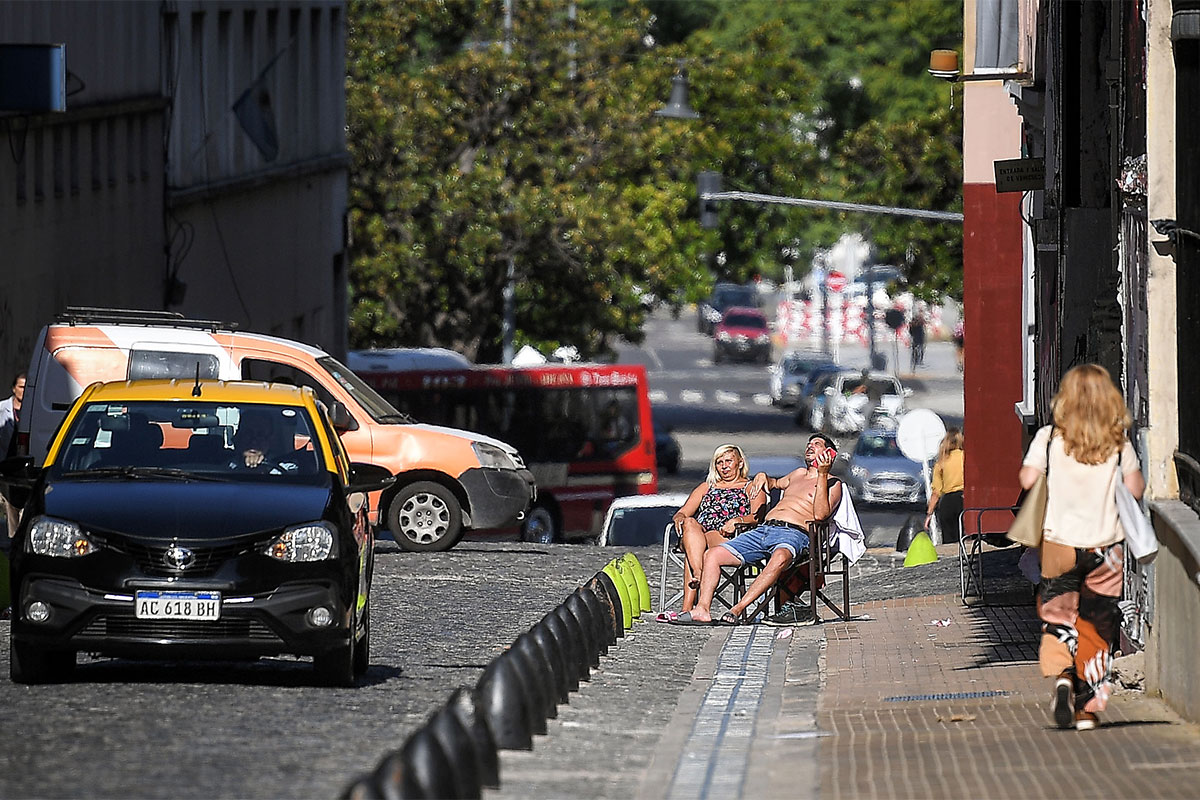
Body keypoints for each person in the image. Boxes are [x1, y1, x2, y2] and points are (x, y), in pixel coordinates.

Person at [1018, 364, 1144, 731]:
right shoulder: (1118, 440)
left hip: (1059, 543)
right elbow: (1135, 489)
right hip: (1106, 547)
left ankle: (1061, 676)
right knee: (1096, 625)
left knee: (1059, 617)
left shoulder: (1050, 437)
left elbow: (1027, 480)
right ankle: (1087, 708)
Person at [672, 433, 841, 626]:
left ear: (829, 453)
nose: (810, 447)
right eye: (808, 444)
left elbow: (820, 515)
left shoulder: (833, 483)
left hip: (794, 534)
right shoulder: (797, 474)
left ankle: (738, 608)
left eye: (816, 444)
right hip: (765, 529)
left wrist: (822, 474)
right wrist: (763, 477)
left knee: (780, 556)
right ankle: (702, 609)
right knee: (712, 555)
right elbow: (775, 483)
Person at [670, 445, 767, 613]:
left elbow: (757, 516)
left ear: (740, 463)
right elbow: (684, 512)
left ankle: (687, 607)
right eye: (719, 462)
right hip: (698, 533)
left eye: (728, 461)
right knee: (690, 524)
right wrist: (679, 518)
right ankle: (700, 574)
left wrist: (737, 520)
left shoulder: (750, 487)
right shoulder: (707, 487)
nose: (724, 466)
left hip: (729, 536)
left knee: (692, 549)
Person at [925, 428, 964, 543]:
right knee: (964, 537)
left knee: (948, 539)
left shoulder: (941, 461)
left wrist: (929, 513)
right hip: (963, 499)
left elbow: (936, 492)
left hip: (947, 502)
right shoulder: (965, 457)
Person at [0, 372, 27, 536]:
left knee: (25, 507)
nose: (24, 391)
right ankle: (11, 539)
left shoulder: (33, 411)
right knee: (10, 505)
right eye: (21, 387)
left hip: (25, 467)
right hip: (6, 465)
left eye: (26, 387)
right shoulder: (2, 409)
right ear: (13, 388)